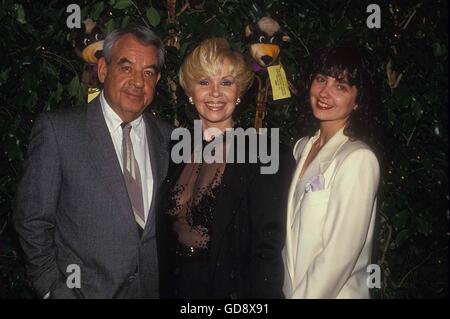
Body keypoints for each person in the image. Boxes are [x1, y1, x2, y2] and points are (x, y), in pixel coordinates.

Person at [14, 26, 172, 298]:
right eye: (126, 68)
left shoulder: (168, 137)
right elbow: (32, 220)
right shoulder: (58, 131)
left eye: (148, 73)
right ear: (102, 70)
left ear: (156, 81)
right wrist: (53, 290)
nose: (138, 81)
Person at [157, 37, 294, 299]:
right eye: (204, 82)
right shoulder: (175, 149)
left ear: (239, 92)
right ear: (190, 92)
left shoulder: (264, 154)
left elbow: (267, 250)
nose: (216, 93)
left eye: (226, 82)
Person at [282, 46, 381, 298]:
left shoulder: (359, 159)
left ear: (358, 101)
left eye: (341, 86)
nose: (325, 92)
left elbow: (338, 258)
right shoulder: (302, 147)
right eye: (321, 79)